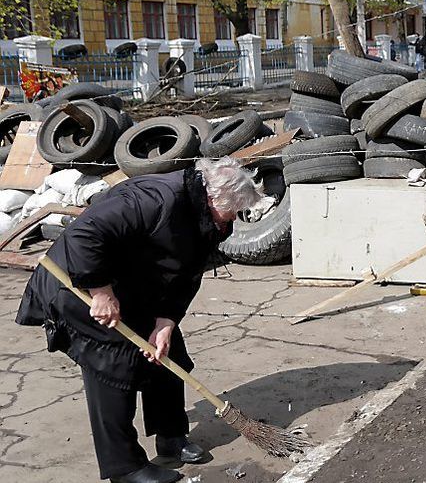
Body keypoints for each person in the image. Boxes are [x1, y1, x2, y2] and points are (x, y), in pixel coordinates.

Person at [16, 158, 264, 483]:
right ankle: (125, 467)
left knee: (167, 353)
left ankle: (171, 437)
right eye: (233, 211)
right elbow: (84, 236)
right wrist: (101, 293)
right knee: (113, 369)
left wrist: (167, 320)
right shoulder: (154, 199)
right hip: (78, 284)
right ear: (215, 198)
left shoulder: (206, 218)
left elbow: (188, 273)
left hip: (131, 286)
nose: (233, 220)